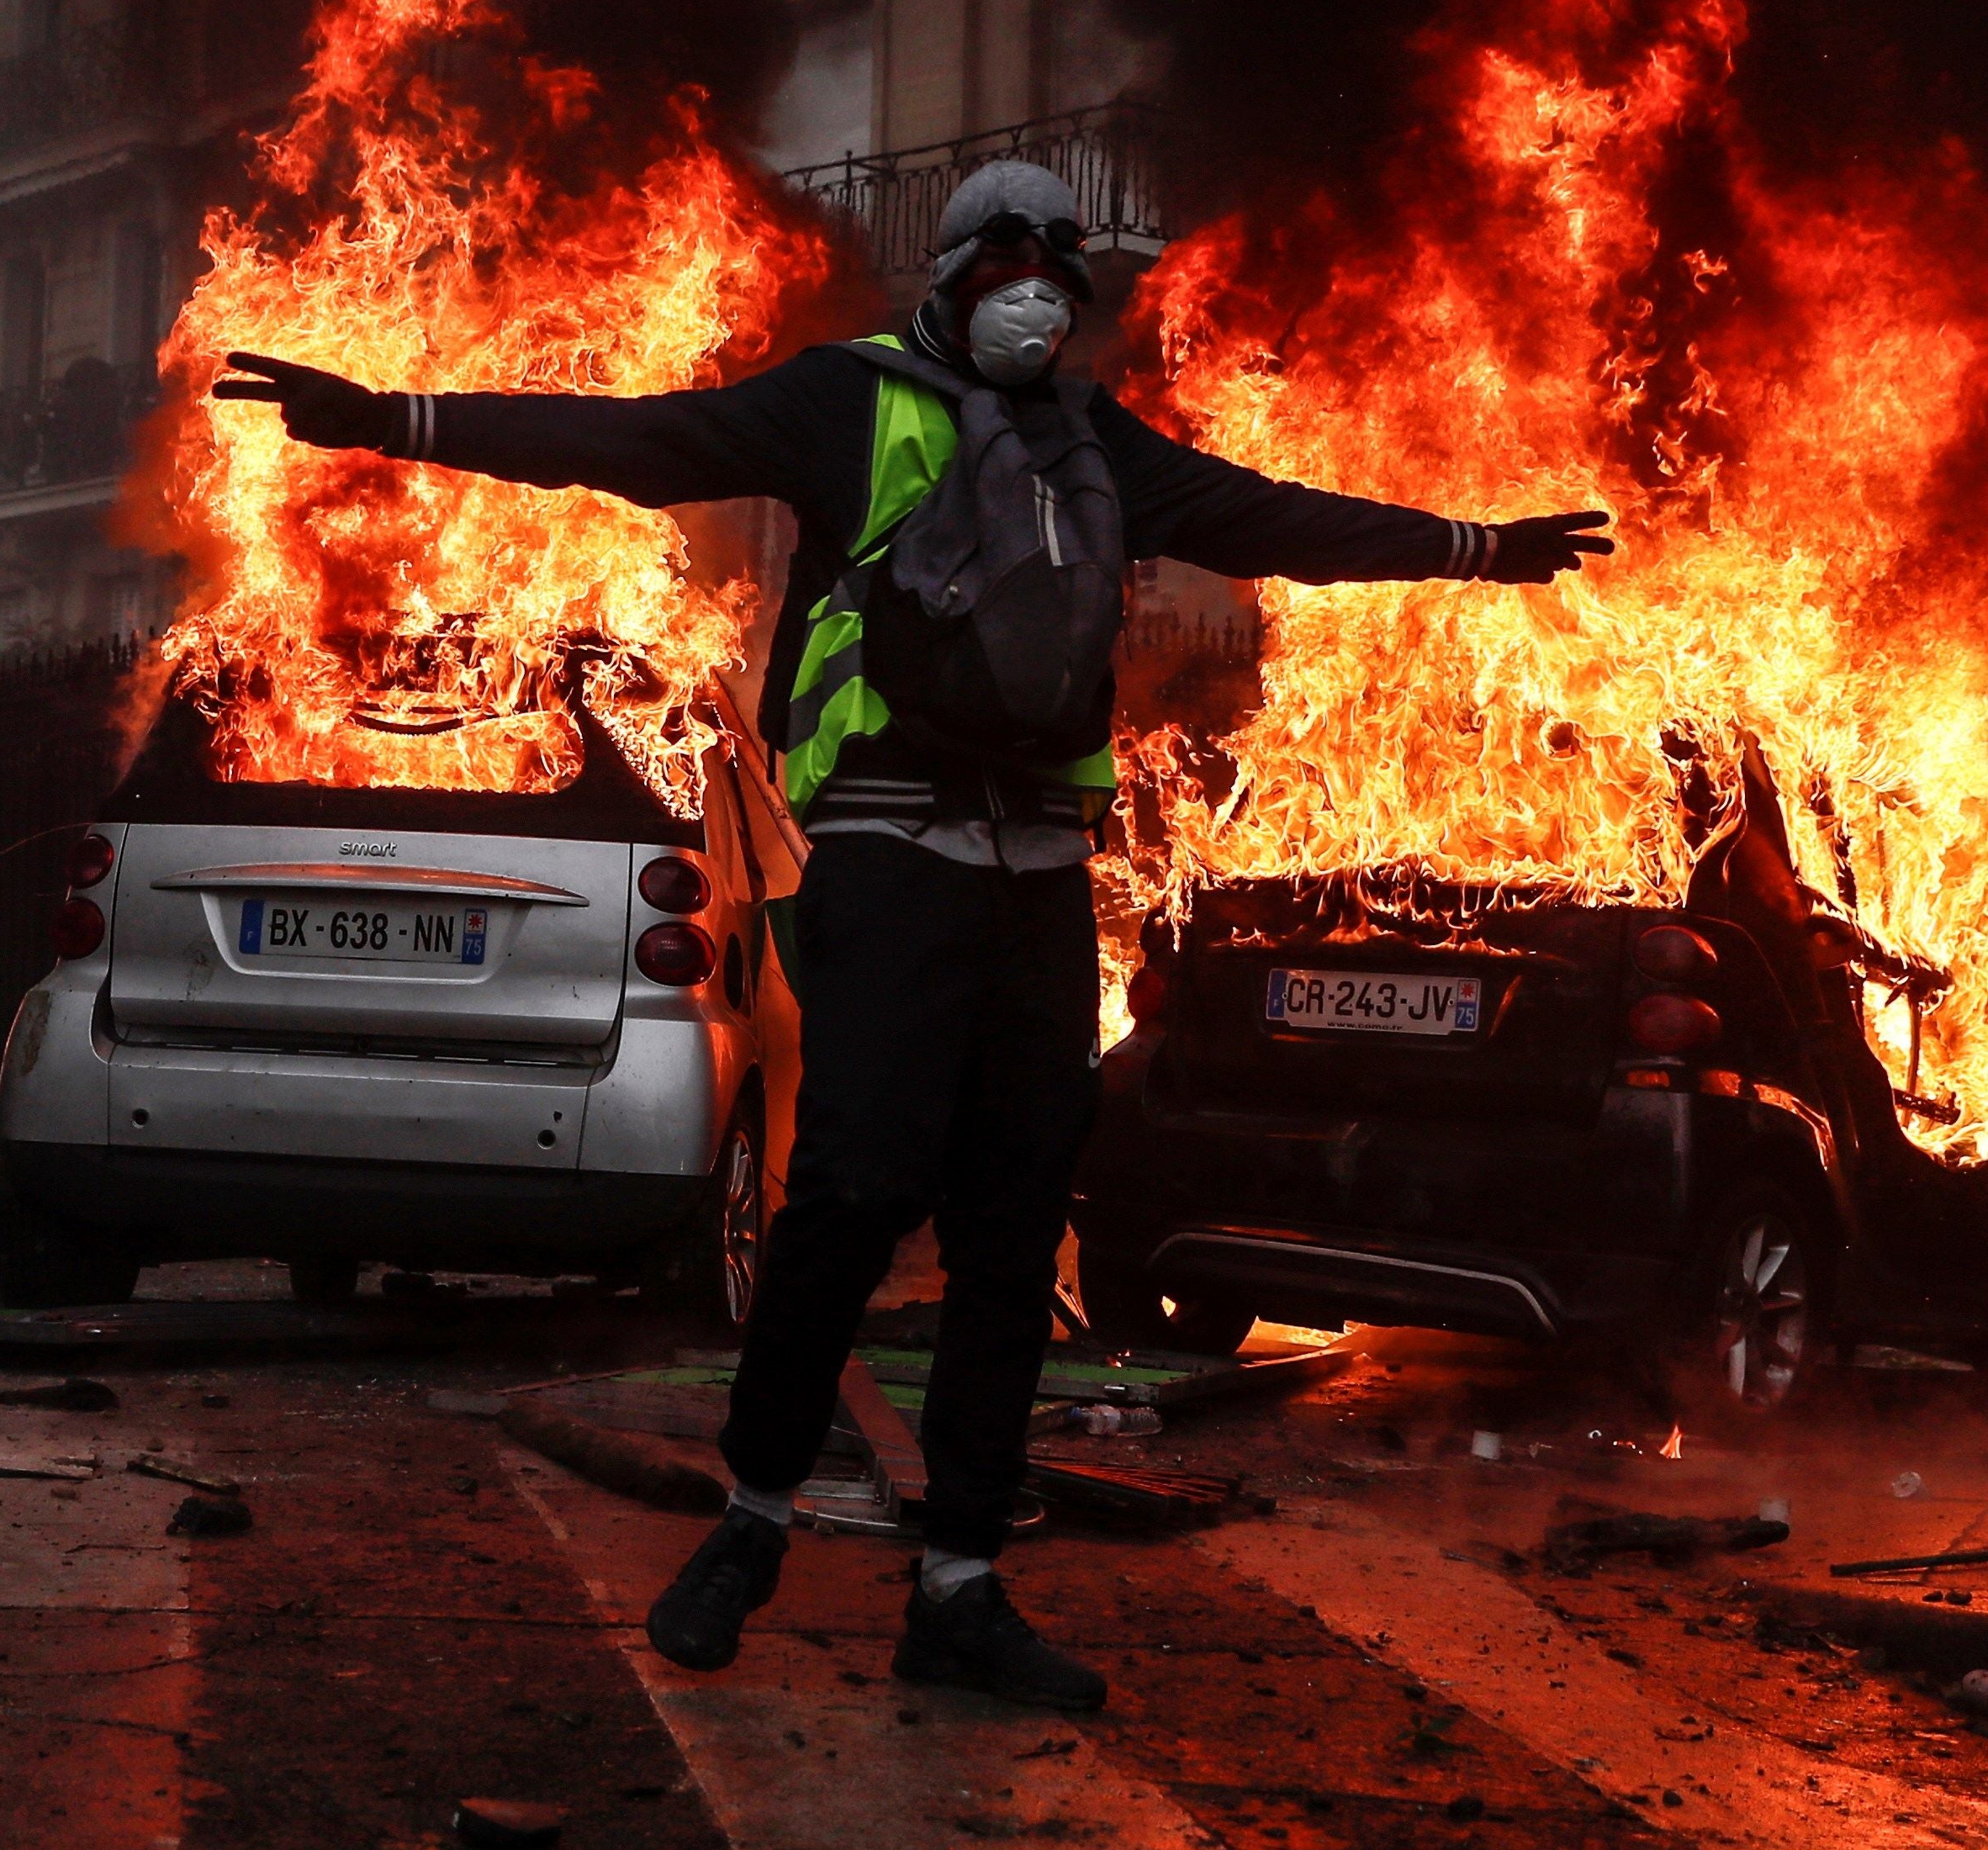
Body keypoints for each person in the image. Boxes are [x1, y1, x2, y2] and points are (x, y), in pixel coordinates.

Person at [221, 159, 1608, 1710]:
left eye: (1055, 270)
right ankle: (750, 1518)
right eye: (1006, 258)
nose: (1034, 289)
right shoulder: (843, 402)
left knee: (1018, 1221)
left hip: (1035, 873)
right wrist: (394, 418)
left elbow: (1271, 519)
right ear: (948, 276)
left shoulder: (1095, 445)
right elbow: (625, 444)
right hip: (886, 849)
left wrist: (1474, 547)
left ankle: (960, 1585)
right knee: (859, 1185)